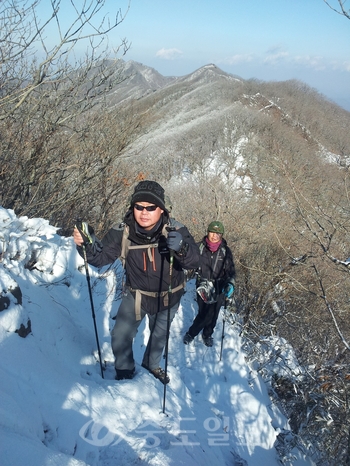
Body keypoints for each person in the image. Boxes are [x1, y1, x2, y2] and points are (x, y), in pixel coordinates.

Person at [73, 180, 199, 384]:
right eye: (139, 206)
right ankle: (125, 373)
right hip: (137, 294)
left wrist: (182, 248)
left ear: (161, 210)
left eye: (151, 207)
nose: (144, 212)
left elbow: (195, 261)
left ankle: (151, 366)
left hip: (169, 296)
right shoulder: (122, 232)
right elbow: (99, 258)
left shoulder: (176, 230)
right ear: (132, 207)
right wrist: (86, 245)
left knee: (158, 339)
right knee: (120, 336)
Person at [183, 221, 236, 347]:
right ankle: (192, 333)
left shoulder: (225, 251)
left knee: (214, 314)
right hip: (203, 285)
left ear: (221, 235)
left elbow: (231, 271)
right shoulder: (199, 248)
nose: (215, 236)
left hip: (219, 286)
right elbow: (188, 261)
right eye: (212, 232)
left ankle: (207, 334)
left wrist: (231, 283)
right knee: (204, 313)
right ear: (208, 232)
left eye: (218, 233)